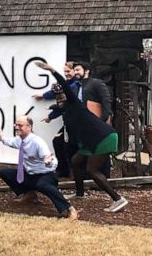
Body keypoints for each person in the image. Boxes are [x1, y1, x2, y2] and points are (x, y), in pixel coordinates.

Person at [35, 60, 128, 213]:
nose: (61, 99)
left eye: (63, 97)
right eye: (59, 99)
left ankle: (118, 200)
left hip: (104, 137)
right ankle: (80, 194)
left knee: (92, 170)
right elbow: (61, 111)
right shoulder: (67, 111)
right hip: (91, 140)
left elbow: (65, 87)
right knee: (76, 161)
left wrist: (52, 70)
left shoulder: (75, 104)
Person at [0, 116, 78, 220]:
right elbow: (11, 142)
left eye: (20, 125)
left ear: (29, 127)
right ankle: (30, 195)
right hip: (31, 174)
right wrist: (2, 138)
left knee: (43, 185)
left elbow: (49, 157)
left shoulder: (37, 142)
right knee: (5, 173)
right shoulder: (20, 140)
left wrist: (48, 162)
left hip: (46, 174)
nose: (17, 127)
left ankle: (69, 209)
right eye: (16, 125)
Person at [33, 61, 81, 178]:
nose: (66, 74)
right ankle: (65, 170)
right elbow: (60, 101)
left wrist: (45, 97)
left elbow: (62, 100)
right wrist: (51, 116)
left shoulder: (76, 85)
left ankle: (73, 171)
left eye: (68, 71)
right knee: (60, 142)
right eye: (64, 72)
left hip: (77, 121)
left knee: (67, 145)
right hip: (69, 120)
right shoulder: (68, 84)